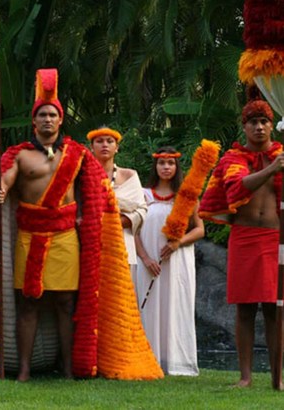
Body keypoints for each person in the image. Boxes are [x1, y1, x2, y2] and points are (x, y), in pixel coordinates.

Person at [0, 68, 163, 382]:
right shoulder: (20, 156)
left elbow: (98, 192)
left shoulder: (78, 155)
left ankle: (69, 369)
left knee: (67, 302)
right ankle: (24, 370)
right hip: (29, 236)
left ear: (60, 120)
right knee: (28, 304)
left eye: (53, 115)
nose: (48, 120)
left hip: (66, 237)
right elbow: (6, 181)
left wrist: (91, 217)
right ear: (34, 121)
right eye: (42, 115)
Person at [199, 98, 284, 388]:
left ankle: (278, 377)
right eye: (253, 122)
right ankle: (245, 377)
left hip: (276, 239)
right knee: (245, 308)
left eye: (264, 122)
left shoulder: (282, 156)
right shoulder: (232, 160)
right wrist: (272, 169)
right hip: (245, 237)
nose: (259, 127)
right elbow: (237, 189)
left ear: (272, 126)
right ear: (244, 127)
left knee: (276, 308)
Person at [135, 146, 204, 376]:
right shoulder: (143, 194)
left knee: (175, 303)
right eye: (161, 163)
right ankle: (146, 358)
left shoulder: (187, 197)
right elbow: (134, 231)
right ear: (155, 166)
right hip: (148, 260)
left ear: (177, 167)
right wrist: (145, 258)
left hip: (177, 260)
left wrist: (178, 242)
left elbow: (200, 230)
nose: (166, 167)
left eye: (170, 163)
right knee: (149, 305)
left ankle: (176, 361)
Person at [87, 127, 147, 284]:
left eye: (110, 141)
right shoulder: (82, 176)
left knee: (121, 301)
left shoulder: (129, 175)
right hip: (90, 245)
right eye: (99, 141)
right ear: (91, 148)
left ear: (117, 148)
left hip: (122, 246)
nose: (105, 145)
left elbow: (142, 209)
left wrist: (115, 222)